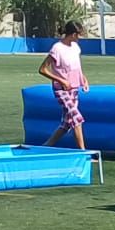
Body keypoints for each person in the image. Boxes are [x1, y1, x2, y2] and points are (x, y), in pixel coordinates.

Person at [37, 20, 90, 149]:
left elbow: (77, 67)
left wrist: (84, 79)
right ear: (73, 34)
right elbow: (42, 69)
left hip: (74, 89)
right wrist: (61, 80)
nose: (80, 37)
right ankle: (82, 151)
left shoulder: (75, 48)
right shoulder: (57, 49)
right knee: (76, 118)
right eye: (79, 34)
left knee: (67, 123)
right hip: (62, 90)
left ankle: (47, 145)